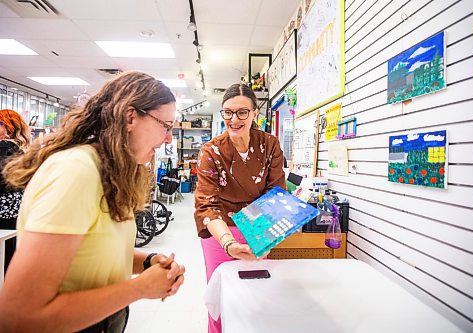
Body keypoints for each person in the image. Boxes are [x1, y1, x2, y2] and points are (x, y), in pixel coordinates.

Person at [0, 71, 185, 332]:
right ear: (131, 117)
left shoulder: (108, 170)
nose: (168, 138)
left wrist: (147, 261)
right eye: (165, 126)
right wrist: (139, 288)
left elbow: (92, 251)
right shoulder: (76, 171)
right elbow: (20, 315)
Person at [194, 83, 286, 333]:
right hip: (219, 231)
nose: (234, 119)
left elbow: (276, 195)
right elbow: (207, 204)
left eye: (242, 112)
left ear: (255, 113)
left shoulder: (270, 145)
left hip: (258, 228)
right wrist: (227, 242)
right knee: (221, 297)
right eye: (228, 112)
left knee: (255, 295)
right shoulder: (211, 150)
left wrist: (263, 236)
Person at [0, 109, 31, 274]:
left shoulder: (4, 147)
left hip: (3, 207)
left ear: (8, 127)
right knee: (10, 250)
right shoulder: (18, 148)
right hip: (15, 208)